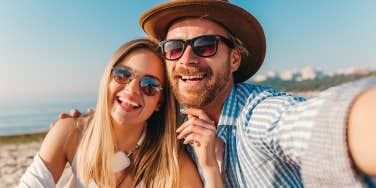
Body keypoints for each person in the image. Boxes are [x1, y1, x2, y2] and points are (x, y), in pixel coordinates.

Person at [59, 0, 376, 187]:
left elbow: (316, 123)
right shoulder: (170, 119)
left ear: (234, 58)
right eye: (173, 48)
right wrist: (89, 122)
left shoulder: (257, 116)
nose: (187, 59)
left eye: (205, 46)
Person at [18, 39, 205, 188]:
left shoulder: (173, 163)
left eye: (149, 85)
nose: (132, 89)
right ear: (108, 78)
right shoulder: (70, 132)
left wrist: (211, 167)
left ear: (160, 102)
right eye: (123, 75)